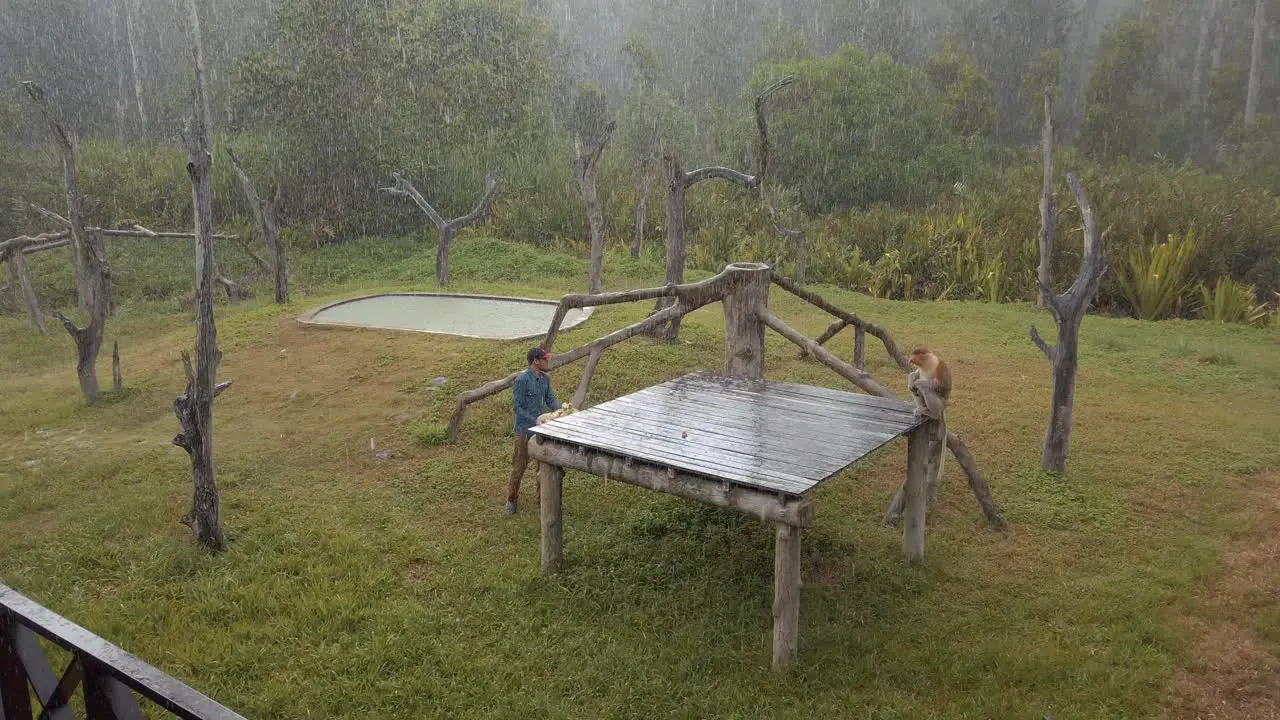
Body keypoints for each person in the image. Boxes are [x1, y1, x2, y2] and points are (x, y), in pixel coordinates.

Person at [508, 346, 561, 513]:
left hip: (541, 429)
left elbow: (550, 398)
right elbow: (517, 407)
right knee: (519, 466)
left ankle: (542, 500)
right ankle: (512, 498)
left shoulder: (545, 379)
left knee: (542, 467)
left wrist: (561, 411)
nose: (547, 361)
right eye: (545, 359)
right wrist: (535, 420)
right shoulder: (522, 381)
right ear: (536, 361)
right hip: (524, 430)